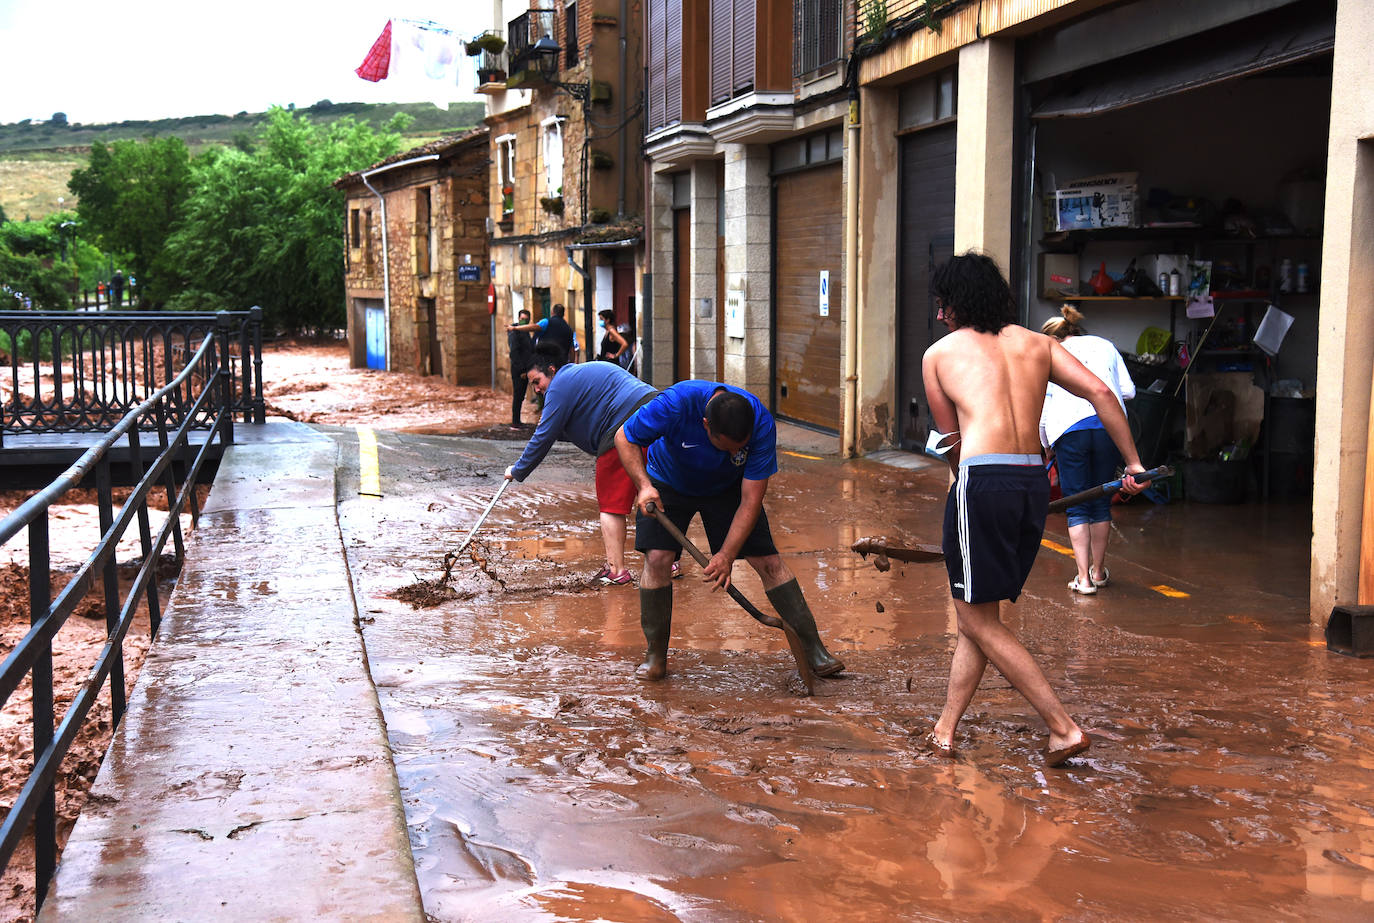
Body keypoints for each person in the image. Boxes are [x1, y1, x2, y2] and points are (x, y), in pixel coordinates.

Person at [920, 252, 1145, 767]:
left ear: (955, 303)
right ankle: (944, 730)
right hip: (1031, 483)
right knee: (978, 616)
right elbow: (1102, 392)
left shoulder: (939, 354)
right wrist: (1132, 463)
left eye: (941, 304)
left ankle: (1063, 728)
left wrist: (966, 493)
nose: (939, 316)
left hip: (982, 480)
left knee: (975, 617)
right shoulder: (1039, 344)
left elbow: (951, 443)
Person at [614, 381, 844, 682]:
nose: (736, 451)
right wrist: (644, 486)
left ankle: (815, 650)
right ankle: (655, 657)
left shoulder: (760, 422)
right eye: (728, 447)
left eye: (740, 448)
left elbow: (750, 500)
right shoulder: (676, 404)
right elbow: (624, 437)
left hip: (727, 488)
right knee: (658, 559)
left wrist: (726, 555)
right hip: (668, 481)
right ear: (706, 425)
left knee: (768, 562)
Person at [505, 341, 657, 586]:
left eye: (537, 382)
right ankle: (667, 560)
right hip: (655, 414)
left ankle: (617, 571)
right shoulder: (580, 376)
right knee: (652, 492)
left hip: (623, 429)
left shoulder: (560, 386)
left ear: (552, 370)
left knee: (611, 506)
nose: (537, 390)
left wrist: (518, 470)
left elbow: (543, 437)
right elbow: (575, 427)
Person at [1039, 304, 1137, 595]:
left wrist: (1046, 446)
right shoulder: (1105, 345)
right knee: (1100, 500)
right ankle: (1098, 571)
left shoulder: (1052, 353)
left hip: (1069, 431)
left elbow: (1044, 405)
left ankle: (1083, 579)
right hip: (1109, 428)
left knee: (1077, 504)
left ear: (1053, 338)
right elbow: (1129, 391)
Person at [507, 303, 575, 363]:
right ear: (563, 314)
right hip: (561, 362)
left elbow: (534, 327)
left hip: (546, 361)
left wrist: (515, 328)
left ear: (552, 312)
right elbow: (572, 351)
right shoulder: (568, 329)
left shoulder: (547, 322)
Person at [507, 309, 536, 428]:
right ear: (519, 318)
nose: (524, 321)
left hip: (528, 368)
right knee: (518, 395)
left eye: (526, 319)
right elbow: (514, 353)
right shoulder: (515, 333)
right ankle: (515, 422)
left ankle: (517, 421)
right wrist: (522, 370)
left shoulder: (525, 332)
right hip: (519, 370)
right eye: (522, 318)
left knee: (522, 394)